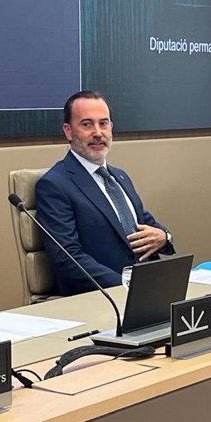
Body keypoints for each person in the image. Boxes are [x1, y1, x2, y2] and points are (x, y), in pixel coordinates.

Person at [36, 90, 175, 296]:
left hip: (149, 289)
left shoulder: (119, 176)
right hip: (102, 297)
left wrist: (164, 236)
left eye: (103, 123)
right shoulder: (54, 185)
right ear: (68, 131)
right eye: (87, 124)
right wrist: (127, 285)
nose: (98, 132)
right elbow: (68, 258)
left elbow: (144, 222)